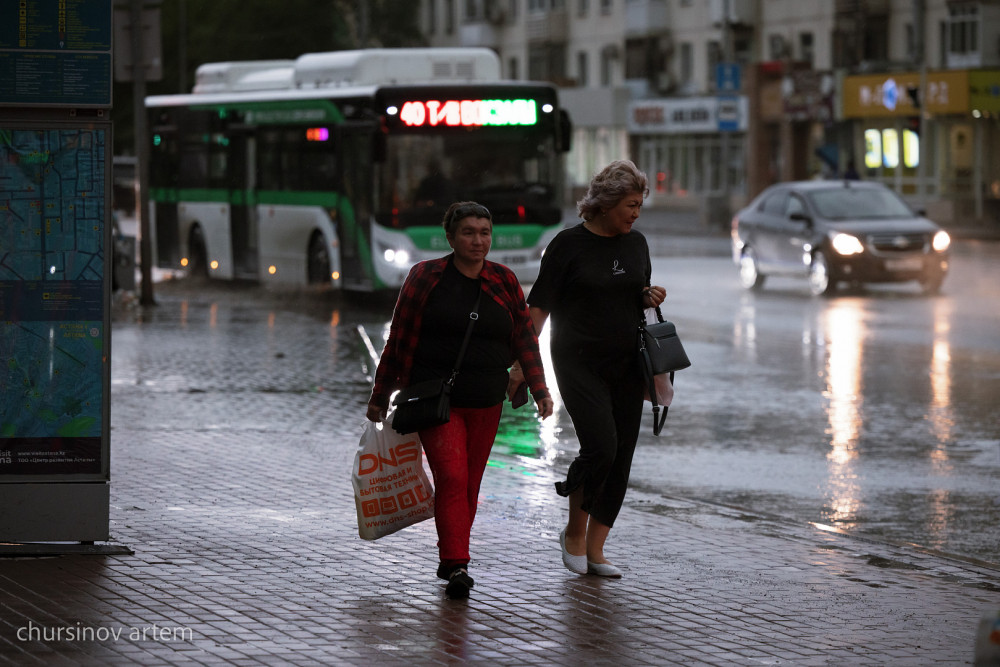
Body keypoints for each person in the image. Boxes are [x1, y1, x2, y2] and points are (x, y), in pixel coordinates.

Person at [366, 200, 555, 599]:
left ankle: (456, 556)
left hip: (486, 401)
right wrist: (380, 396)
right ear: (450, 237)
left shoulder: (503, 280)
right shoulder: (425, 277)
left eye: (484, 233)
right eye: (468, 232)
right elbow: (399, 339)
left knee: (469, 485)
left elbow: (524, 338)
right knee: (451, 477)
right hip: (437, 400)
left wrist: (539, 389)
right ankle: (456, 563)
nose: (478, 240)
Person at [514, 160, 666, 579]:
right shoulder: (567, 245)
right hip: (578, 361)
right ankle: (574, 532)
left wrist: (648, 295)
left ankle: (597, 549)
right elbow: (539, 305)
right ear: (604, 204)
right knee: (602, 446)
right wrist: (521, 365)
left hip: (627, 363)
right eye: (629, 205)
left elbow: (632, 291)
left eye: (639, 206)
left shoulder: (636, 244)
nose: (635, 214)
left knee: (622, 456)